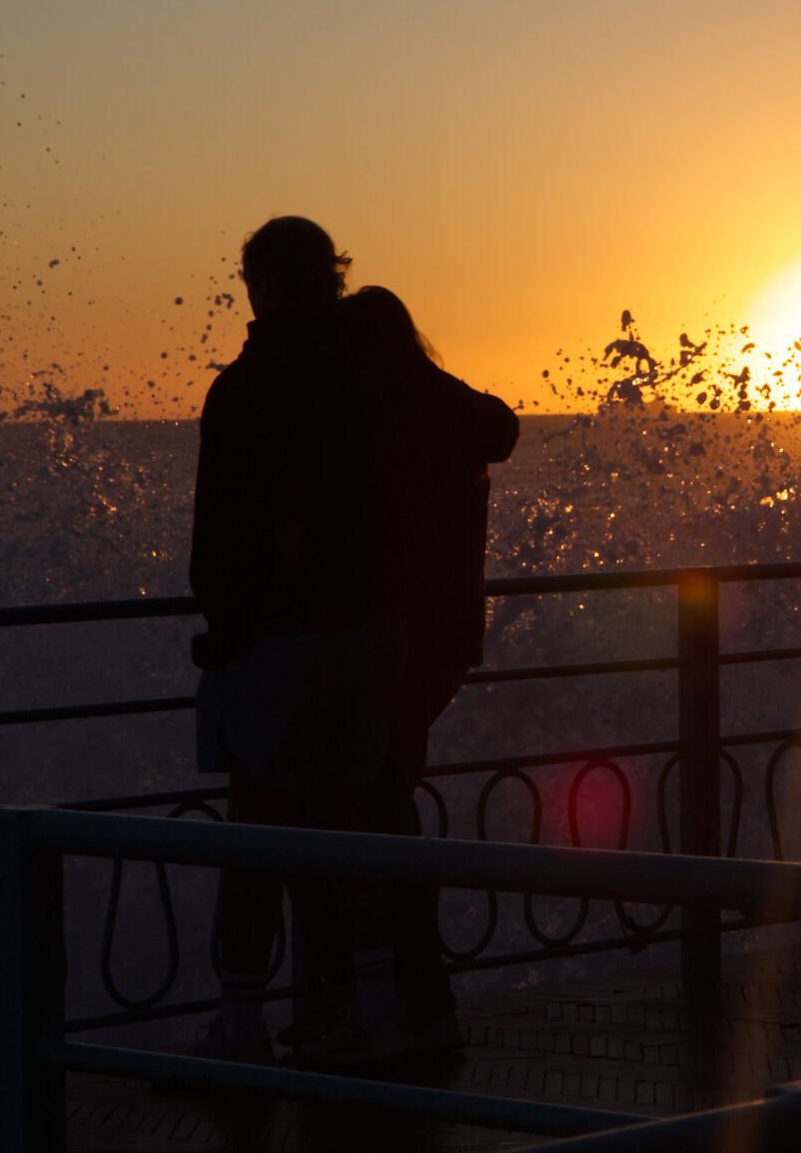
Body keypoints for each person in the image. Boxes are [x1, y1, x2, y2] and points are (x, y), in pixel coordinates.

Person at [185, 217, 405, 1067]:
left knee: (257, 827)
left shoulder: (248, 385)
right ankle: (381, 1007)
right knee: (350, 819)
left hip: (282, 639)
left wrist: (226, 632)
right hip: (376, 629)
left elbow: (222, 540)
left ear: (263, 284)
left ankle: (240, 1019)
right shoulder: (373, 374)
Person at [331, 285, 519, 1057]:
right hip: (442, 642)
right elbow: (502, 423)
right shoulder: (448, 406)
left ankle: (406, 1003)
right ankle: (404, 1000)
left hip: (392, 640)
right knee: (384, 801)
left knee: (370, 811)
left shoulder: (381, 416)